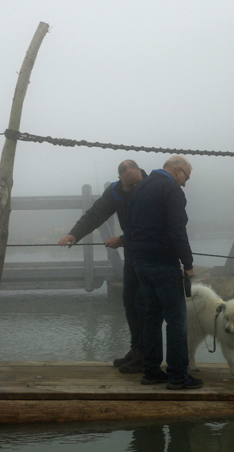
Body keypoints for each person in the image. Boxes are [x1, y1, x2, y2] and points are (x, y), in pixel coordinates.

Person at [58, 160, 147, 373]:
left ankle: (146, 357)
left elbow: (153, 225)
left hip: (152, 253)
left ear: (140, 175)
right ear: (120, 181)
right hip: (133, 254)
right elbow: (95, 214)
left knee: (145, 305)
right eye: (129, 185)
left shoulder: (152, 186)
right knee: (130, 302)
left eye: (136, 183)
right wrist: (74, 234)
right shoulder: (116, 192)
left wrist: (122, 240)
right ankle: (136, 350)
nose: (133, 188)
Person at [128, 155, 202, 390]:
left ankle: (150, 371)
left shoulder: (141, 187)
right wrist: (188, 264)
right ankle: (178, 376)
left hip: (139, 261)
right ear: (178, 170)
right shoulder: (171, 189)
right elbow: (177, 230)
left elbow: (131, 225)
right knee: (176, 320)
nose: (185, 183)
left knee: (151, 316)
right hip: (163, 263)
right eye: (186, 177)